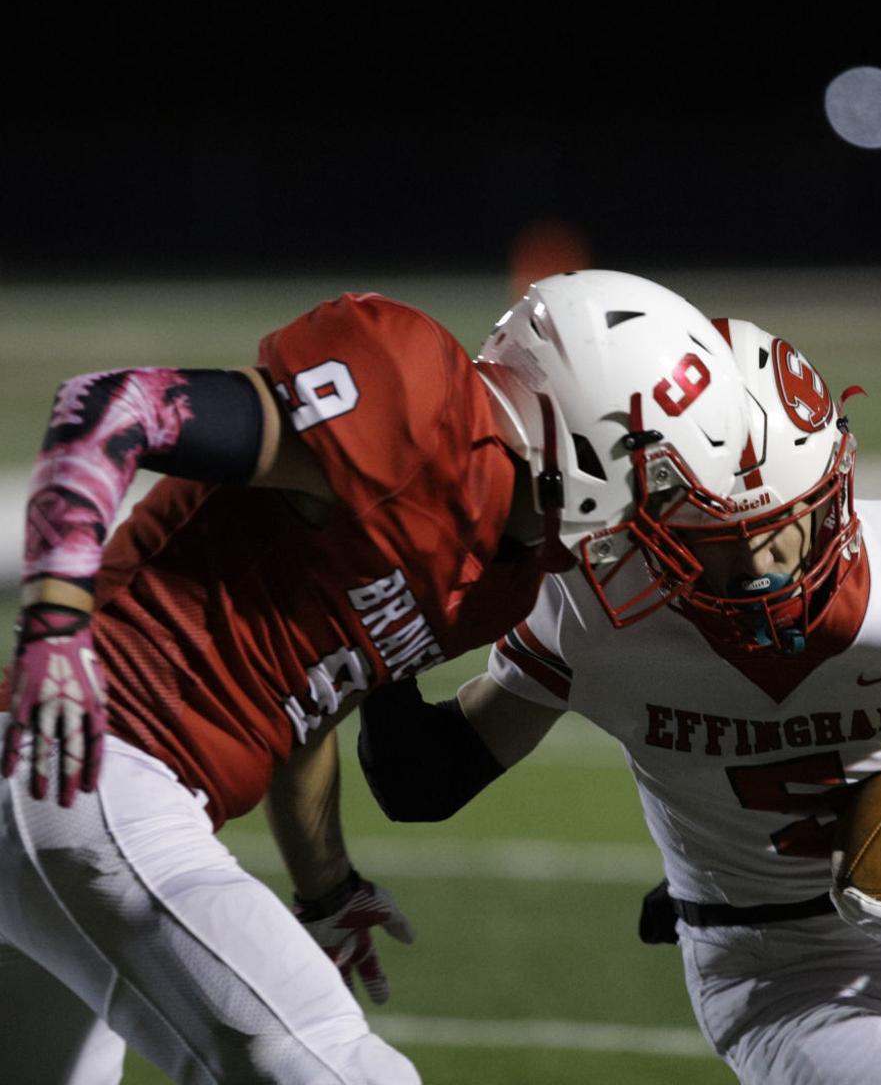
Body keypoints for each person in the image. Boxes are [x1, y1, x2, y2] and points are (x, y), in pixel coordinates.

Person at [0, 271, 753, 1085]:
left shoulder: (502, 577)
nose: (658, 517)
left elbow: (307, 702)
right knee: (333, 1065)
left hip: (86, 800)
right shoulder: (417, 409)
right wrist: (55, 620)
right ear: (587, 431)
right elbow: (113, 405)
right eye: (661, 480)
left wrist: (326, 888)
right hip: (89, 764)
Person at [358, 318, 881, 1084]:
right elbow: (423, 782)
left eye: (782, 522)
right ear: (654, 522)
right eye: (716, 534)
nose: (761, 561)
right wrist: (383, 619)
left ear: (834, 486)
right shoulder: (595, 610)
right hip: (779, 972)